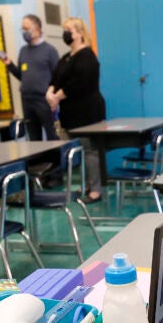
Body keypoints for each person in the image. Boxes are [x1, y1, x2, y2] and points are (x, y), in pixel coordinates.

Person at [47, 17, 106, 204]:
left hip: (87, 111)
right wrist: (50, 92)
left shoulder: (87, 56)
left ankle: (95, 190)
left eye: (69, 29)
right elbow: (56, 79)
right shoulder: (66, 57)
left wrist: (57, 96)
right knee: (78, 150)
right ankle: (87, 185)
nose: (66, 33)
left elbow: (81, 82)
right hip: (70, 112)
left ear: (79, 33)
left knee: (90, 150)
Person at [0, 14, 59, 141]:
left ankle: (55, 160)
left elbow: (58, 76)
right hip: (27, 99)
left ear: (37, 30)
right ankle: (38, 161)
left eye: (26, 28)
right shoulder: (23, 51)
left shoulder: (50, 50)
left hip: (44, 99)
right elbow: (23, 76)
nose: (24, 32)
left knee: (51, 135)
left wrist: (53, 95)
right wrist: (10, 65)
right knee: (33, 137)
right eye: (22, 29)